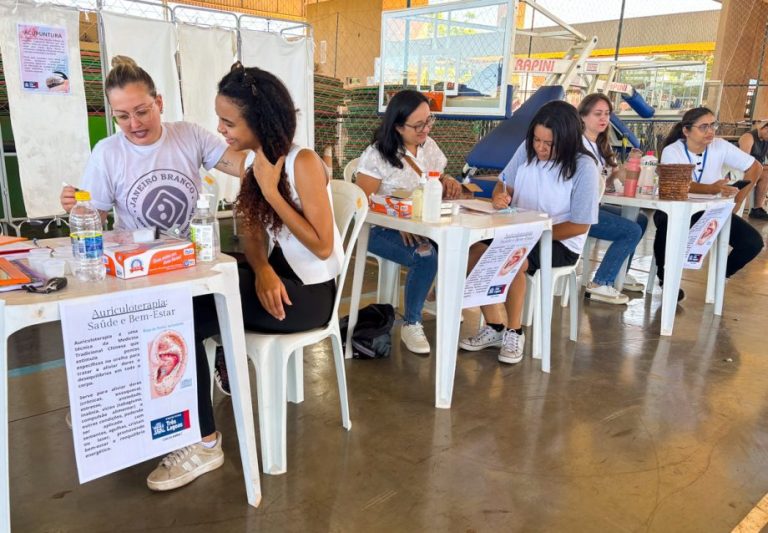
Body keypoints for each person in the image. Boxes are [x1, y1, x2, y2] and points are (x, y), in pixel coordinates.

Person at [59, 56, 249, 491]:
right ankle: (111, 402)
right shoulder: (108, 152)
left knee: (171, 325)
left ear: (159, 102)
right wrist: (78, 206)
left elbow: (242, 164)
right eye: (122, 116)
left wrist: (278, 156)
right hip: (142, 274)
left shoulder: (189, 136)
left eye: (142, 111)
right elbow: (94, 218)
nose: (134, 124)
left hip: (193, 268)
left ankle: (205, 441)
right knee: (102, 319)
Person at [459, 101, 599, 362]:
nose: (540, 148)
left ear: (568, 140)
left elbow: (580, 224)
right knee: (472, 251)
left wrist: (535, 233)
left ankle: (515, 330)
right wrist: (500, 196)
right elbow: (504, 184)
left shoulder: (583, 167)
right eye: (537, 140)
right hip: (516, 230)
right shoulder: (527, 150)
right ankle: (495, 326)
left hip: (559, 240)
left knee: (512, 258)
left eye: (549, 144)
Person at [354, 90, 462, 355]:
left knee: (459, 243)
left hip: (421, 226)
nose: (426, 129)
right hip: (379, 229)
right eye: (418, 125)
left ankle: (433, 295)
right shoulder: (377, 155)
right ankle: (412, 322)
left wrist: (447, 180)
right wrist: (396, 220)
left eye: (429, 121)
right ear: (398, 126)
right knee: (425, 256)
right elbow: (362, 204)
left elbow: (435, 176)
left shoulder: (429, 147)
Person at [654, 106, 764, 302]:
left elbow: (755, 167)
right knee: (666, 227)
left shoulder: (720, 146)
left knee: (752, 242)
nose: (710, 131)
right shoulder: (673, 150)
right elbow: (678, 183)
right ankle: (666, 278)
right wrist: (712, 189)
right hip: (676, 208)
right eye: (703, 127)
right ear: (686, 131)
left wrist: (737, 201)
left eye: (713, 125)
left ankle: (720, 275)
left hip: (711, 212)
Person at [578, 93, 649, 305]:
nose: (603, 118)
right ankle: (601, 282)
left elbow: (608, 182)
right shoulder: (578, 145)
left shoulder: (602, 145)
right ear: (582, 116)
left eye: (607, 114)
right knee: (631, 230)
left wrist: (626, 168)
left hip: (595, 206)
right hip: (579, 211)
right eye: (597, 114)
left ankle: (618, 272)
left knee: (641, 220)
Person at [737, 119, 768, 219]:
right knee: (765, 173)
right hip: (742, 170)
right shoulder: (748, 137)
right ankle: (741, 206)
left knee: (766, 174)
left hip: (757, 168)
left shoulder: (766, 140)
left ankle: (757, 209)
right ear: (765, 128)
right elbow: (743, 161)